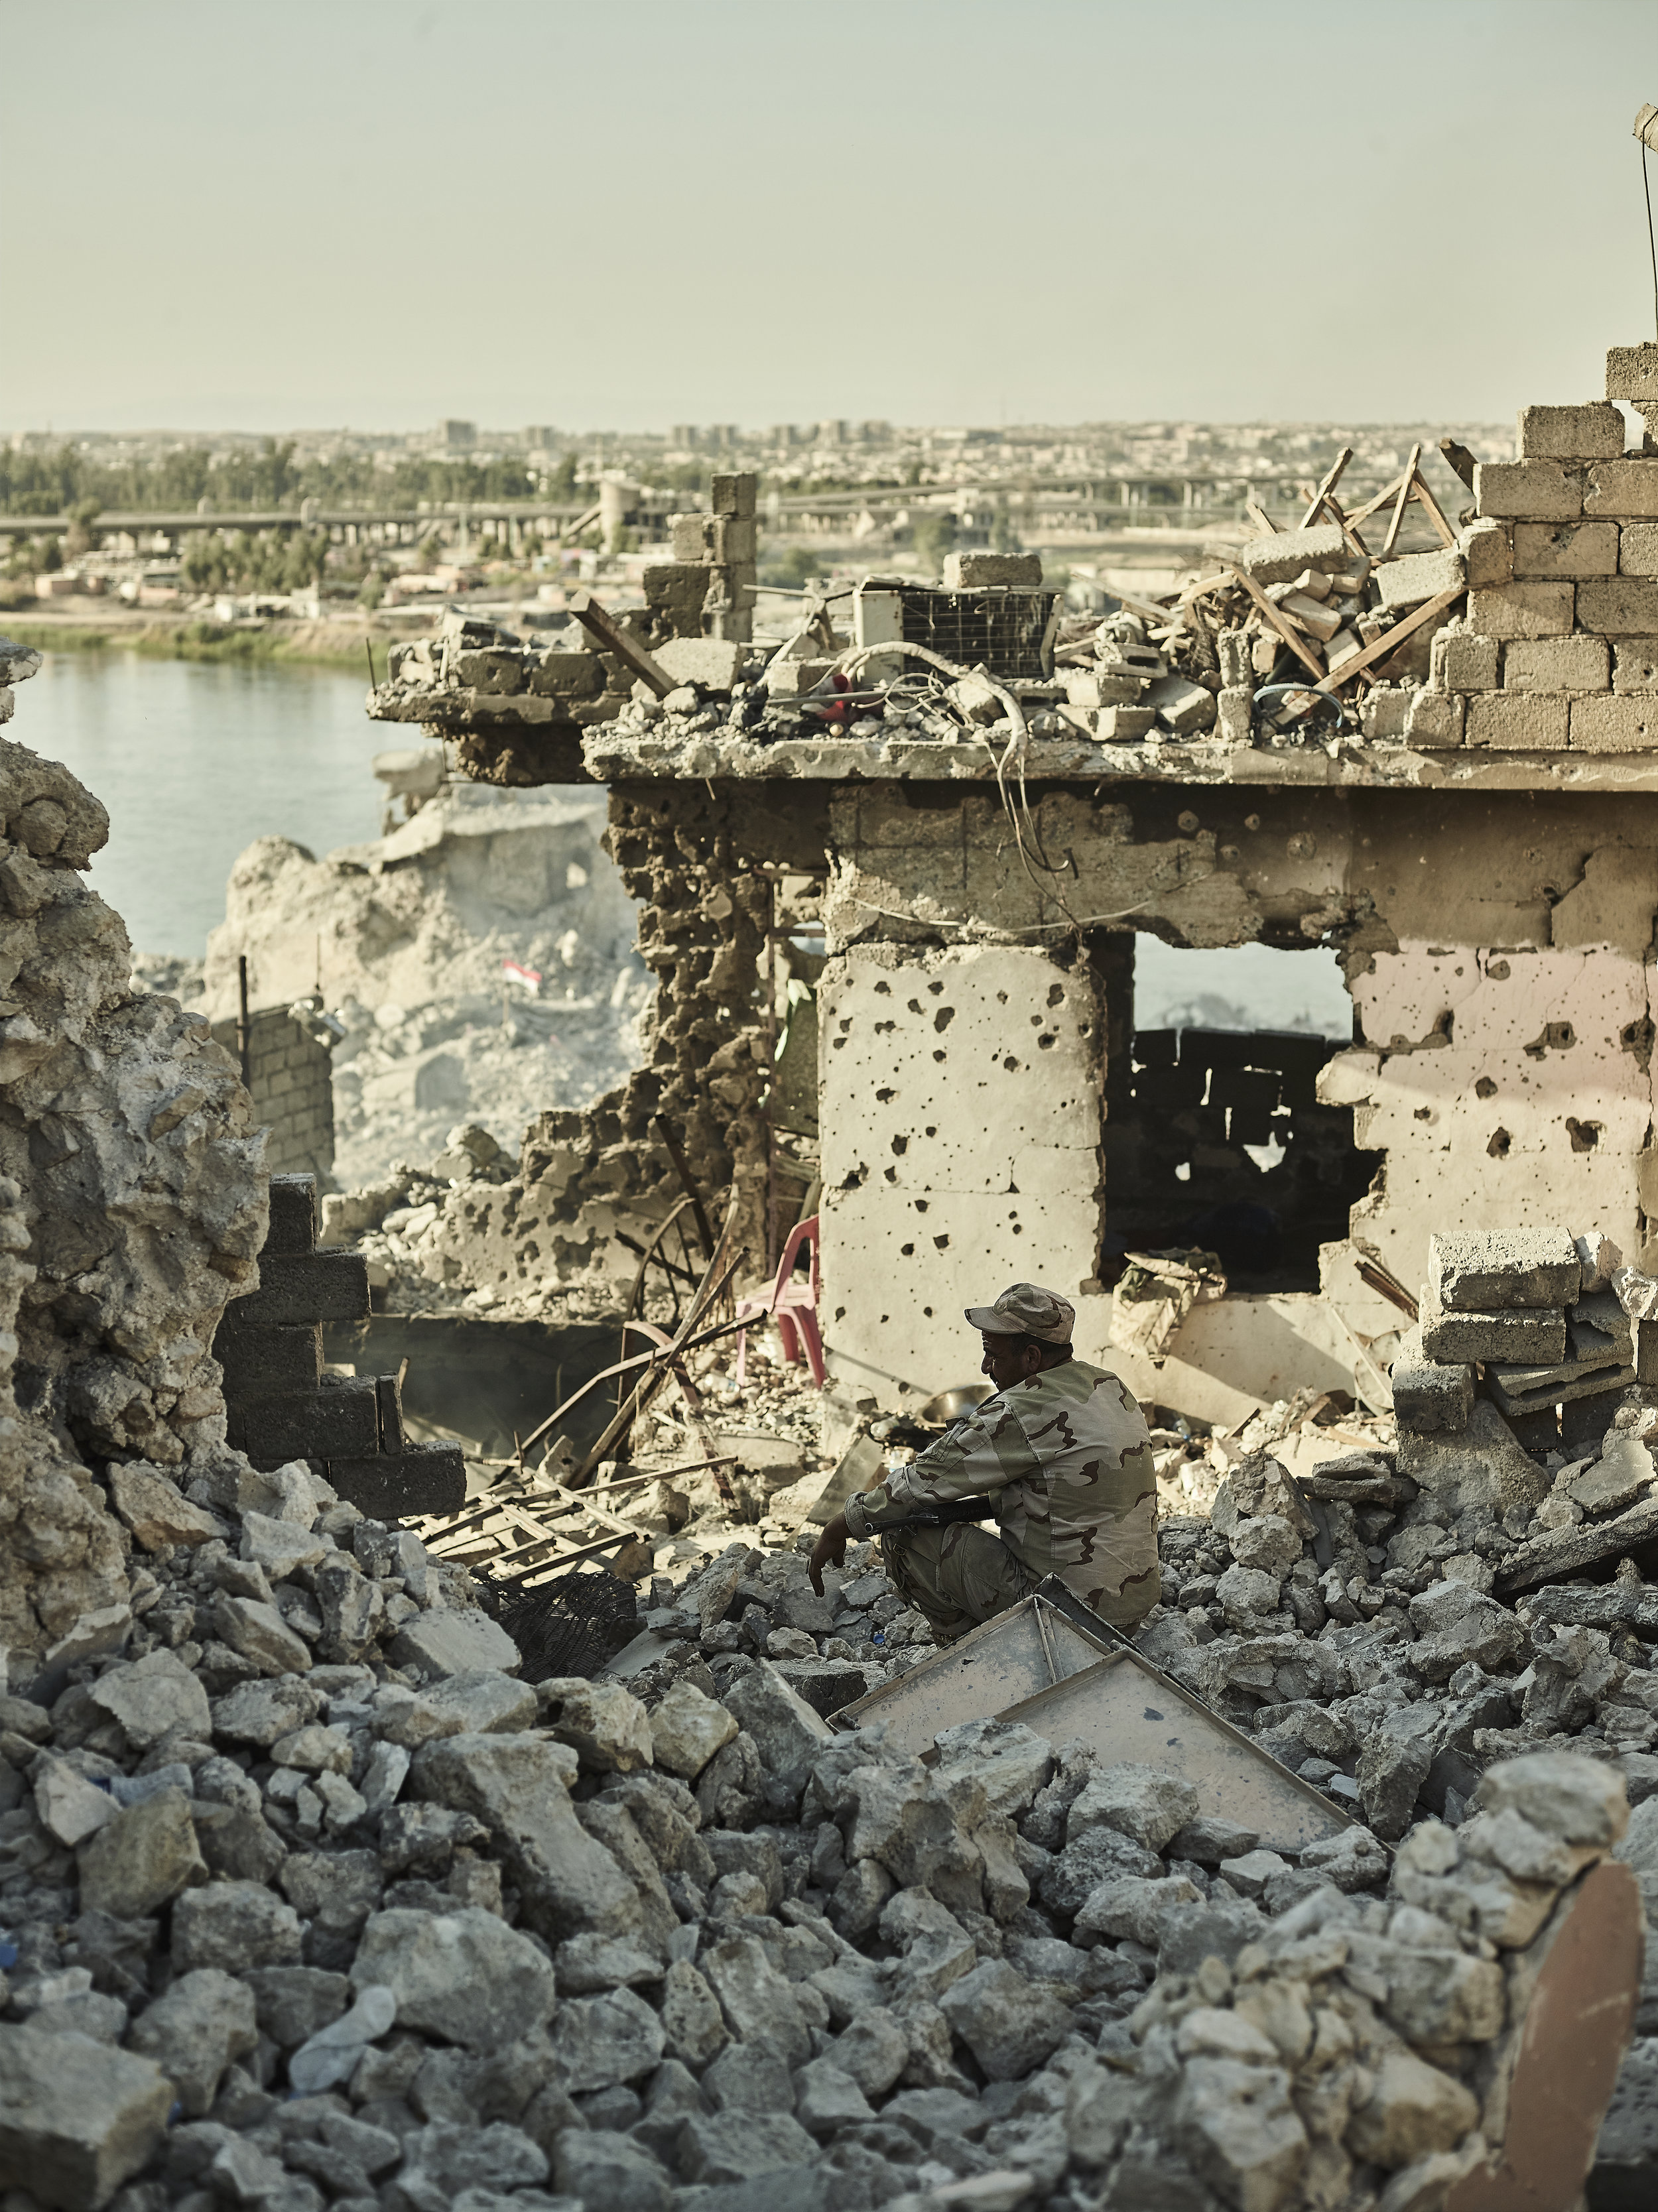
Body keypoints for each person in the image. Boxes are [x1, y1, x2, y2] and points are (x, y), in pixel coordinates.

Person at [809, 1281, 1158, 1643]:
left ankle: (976, 1655)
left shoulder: (1021, 1410)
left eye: (993, 1353)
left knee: (902, 1531)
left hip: (1065, 1619)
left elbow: (920, 1482)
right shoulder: (1110, 1386)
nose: (985, 1366)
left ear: (1032, 1358)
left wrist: (841, 1526)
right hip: (1126, 1614)